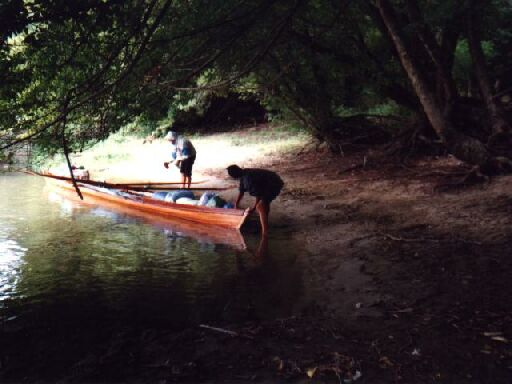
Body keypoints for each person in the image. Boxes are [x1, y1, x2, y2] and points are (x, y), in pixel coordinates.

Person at [227, 164, 284, 236]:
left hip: (273, 184)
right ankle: (265, 221)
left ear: (234, 176)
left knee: (260, 206)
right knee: (263, 205)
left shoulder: (248, 179)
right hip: (272, 181)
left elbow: (259, 194)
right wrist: (236, 204)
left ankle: (265, 233)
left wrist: (254, 208)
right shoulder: (244, 173)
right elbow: (241, 191)